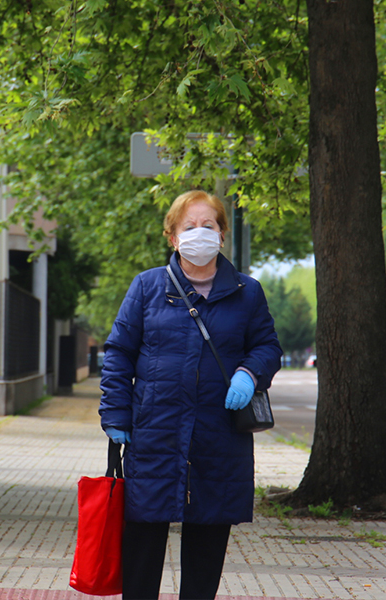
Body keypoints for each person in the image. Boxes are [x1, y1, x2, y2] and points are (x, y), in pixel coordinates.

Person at [99, 190, 283, 600]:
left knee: (205, 552)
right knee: (142, 549)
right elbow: (118, 353)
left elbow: (268, 347)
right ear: (172, 236)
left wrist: (249, 374)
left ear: (222, 234)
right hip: (154, 437)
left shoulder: (247, 292)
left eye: (209, 225)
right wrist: (115, 415)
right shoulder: (147, 287)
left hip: (219, 438)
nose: (199, 233)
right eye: (189, 226)